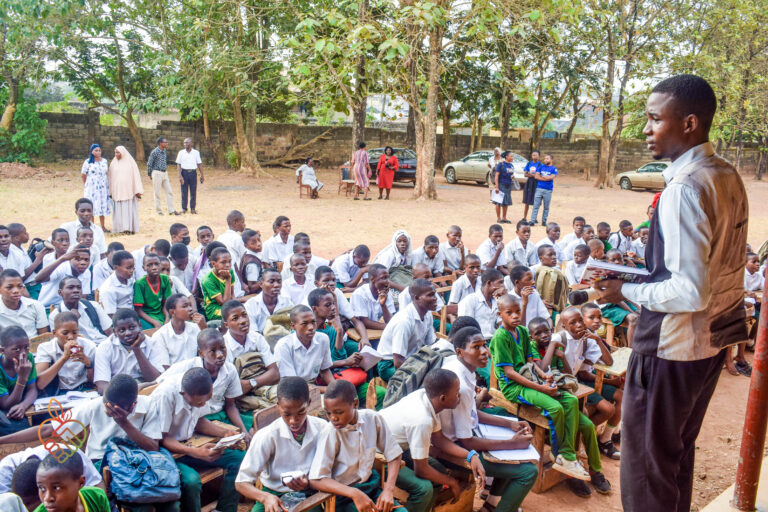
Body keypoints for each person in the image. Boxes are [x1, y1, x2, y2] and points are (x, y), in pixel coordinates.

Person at [594, 75, 749, 512]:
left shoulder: (683, 189)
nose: (646, 129)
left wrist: (623, 288)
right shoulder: (726, 175)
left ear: (689, 123)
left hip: (671, 351)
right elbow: (715, 265)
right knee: (675, 458)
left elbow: (689, 290)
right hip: (710, 345)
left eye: (654, 119)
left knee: (647, 473)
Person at [489, 295, 613, 495]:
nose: (514, 316)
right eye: (509, 312)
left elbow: (532, 362)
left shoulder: (521, 331)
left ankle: (572, 460)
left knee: (572, 400)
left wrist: (545, 377)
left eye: (517, 311)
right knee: (555, 407)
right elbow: (510, 373)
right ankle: (560, 454)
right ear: (499, 314)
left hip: (532, 379)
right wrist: (541, 388)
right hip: (515, 387)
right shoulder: (501, 337)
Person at [440, 326, 538, 510]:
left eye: (484, 345)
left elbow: (472, 414)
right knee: (529, 471)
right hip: (451, 449)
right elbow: (467, 442)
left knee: (508, 429)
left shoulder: (463, 368)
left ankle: (491, 505)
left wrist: (510, 424)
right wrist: (512, 443)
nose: (485, 351)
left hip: (460, 437)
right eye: (476, 347)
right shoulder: (458, 385)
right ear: (460, 352)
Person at [379, 370, 485, 512]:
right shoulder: (422, 420)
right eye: (456, 392)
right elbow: (421, 470)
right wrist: (452, 482)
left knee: (439, 472)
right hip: (380, 455)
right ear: (443, 398)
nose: (459, 395)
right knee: (423, 489)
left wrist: (471, 456)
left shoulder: (426, 397)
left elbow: (439, 440)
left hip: (398, 448)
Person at [150, 367, 246, 512]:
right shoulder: (165, 395)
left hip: (190, 444)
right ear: (183, 394)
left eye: (205, 401)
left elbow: (200, 421)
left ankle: (224, 509)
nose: (203, 404)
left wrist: (226, 433)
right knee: (192, 481)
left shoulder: (201, 389)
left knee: (239, 459)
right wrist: (195, 452)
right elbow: (161, 439)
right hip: (167, 452)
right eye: (199, 403)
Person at [235, 377, 328, 512]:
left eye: (300, 413)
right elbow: (241, 482)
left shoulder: (322, 428)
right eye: (287, 414)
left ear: (308, 403)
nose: (293, 421)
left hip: (310, 492)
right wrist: (264, 497)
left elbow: (331, 469)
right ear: (278, 405)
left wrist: (308, 484)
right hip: (273, 493)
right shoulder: (267, 435)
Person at [309, 379, 402, 512]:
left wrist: (388, 490)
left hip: (371, 488)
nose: (333, 418)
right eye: (329, 413)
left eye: (339, 412)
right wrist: (354, 493)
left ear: (355, 404)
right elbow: (316, 480)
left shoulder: (372, 418)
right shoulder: (330, 433)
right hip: (342, 497)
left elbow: (394, 454)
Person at [93, 309, 168, 393]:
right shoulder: (105, 347)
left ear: (140, 326)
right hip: (116, 391)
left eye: (132, 328)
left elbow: (155, 379)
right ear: (114, 332)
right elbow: (102, 385)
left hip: (145, 389)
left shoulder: (152, 343)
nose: (128, 333)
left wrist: (136, 349)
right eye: (122, 330)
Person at [377, 279, 438, 381]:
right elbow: (398, 362)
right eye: (430, 295)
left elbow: (431, 344)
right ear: (417, 298)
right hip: (389, 364)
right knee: (426, 380)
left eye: (435, 294)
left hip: (411, 359)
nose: (435, 298)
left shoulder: (427, 314)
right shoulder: (404, 321)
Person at [34, 312, 96, 396]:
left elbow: (95, 381)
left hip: (83, 391)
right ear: (54, 333)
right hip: (56, 393)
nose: (70, 337)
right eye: (65, 333)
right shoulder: (45, 348)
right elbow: (40, 384)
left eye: (74, 332)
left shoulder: (89, 346)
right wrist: (64, 358)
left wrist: (88, 363)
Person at [273, 305, 333, 391]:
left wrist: (334, 387)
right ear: (293, 326)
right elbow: (293, 383)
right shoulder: (283, 345)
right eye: (304, 323)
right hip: (290, 389)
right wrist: (327, 390)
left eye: (313, 322)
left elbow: (324, 370)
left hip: (313, 386)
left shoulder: (323, 339)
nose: (311, 327)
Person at [33, 453, 111, 512]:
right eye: (42, 488)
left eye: (57, 488)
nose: (47, 498)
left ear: (81, 482)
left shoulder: (96, 497)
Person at [0, 326, 38, 435]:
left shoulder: (28, 357)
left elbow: (32, 389)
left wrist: (23, 405)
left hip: (19, 403)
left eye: (26, 347)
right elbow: (5, 404)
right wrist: (22, 378)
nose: (23, 353)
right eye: (16, 349)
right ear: (2, 350)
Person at [151, 294, 204, 364]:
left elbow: (207, 354)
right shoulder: (160, 336)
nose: (190, 309)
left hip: (197, 371)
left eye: (190, 305)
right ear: (172, 312)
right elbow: (164, 367)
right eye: (185, 306)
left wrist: (204, 328)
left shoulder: (195, 328)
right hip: (174, 374)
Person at [0, 270, 49, 337]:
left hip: (34, 345)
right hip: (6, 346)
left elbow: (44, 337)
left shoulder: (36, 305)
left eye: (20, 286)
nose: (16, 291)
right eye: (9, 287)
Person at [244, 269, 293, 333]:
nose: (276, 285)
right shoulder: (251, 305)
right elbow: (253, 333)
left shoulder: (287, 303)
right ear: (261, 284)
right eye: (271, 281)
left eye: (279, 281)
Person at [108, 146, 144, 234]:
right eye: (115, 152)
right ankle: (120, 229)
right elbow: (110, 178)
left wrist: (137, 191)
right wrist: (110, 191)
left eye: (118, 152)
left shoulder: (130, 163)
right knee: (119, 210)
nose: (116, 154)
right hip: (117, 192)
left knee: (128, 210)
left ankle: (129, 229)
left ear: (123, 152)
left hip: (128, 192)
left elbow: (136, 177)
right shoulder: (113, 163)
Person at [350, 264, 396, 331]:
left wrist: (383, 305)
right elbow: (364, 322)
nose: (387, 281)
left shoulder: (386, 292)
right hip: (358, 331)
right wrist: (387, 327)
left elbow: (389, 320)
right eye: (383, 278)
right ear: (372, 279)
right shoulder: (359, 294)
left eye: (388, 278)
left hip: (374, 329)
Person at [133, 253, 172, 329]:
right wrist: (155, 322)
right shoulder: (140, 284)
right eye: (149, 265)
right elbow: (138, 310)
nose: (154, 267)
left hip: (162, 313)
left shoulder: (165, 279)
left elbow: (165, 304)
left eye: (157, 264)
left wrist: (167, 318)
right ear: (144, 268)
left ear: (161, 265)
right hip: (147, 316)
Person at [81, 144, 111, 233]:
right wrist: (87, 184)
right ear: (92, 152)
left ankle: (103, 226)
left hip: (102, 187)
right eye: (96, 150)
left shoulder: (104, 161)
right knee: (92, 205)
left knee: (102, 206)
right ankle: (92, 226)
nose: (98, 152)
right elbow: (83, 174)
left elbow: (107, 172)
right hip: (92, 187)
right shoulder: (88, 162)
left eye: (99, 150)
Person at [147, 137, 178, 216]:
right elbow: (149, 163)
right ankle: (159, 211)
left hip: (164, 173)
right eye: (165, 142)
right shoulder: (155, 152)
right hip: (157, 173)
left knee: (169, 191)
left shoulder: (164, 151)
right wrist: (149, 173)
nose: (166, 143)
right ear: (160, 143)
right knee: (157, 192)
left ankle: (171, 210)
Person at [529, 153, 558, 227]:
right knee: (536, 205)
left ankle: (544, 221)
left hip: (548, 190)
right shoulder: (541, 167)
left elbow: (550, 178)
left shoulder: (554, 169)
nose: (545, 160)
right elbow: (536, 176)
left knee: (546, 207)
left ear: (551, 159)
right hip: (539, 188)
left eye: (547, 158)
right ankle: (532, 221)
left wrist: (541, 176)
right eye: (545, 158)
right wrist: (545, 177)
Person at [177, 138, 204, 214]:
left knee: (193, 191)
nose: (185, 144)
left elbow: (199, 164)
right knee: (184, 191)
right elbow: (178, 165)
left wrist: (202, 175)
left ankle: (193, 208)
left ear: (191, 143)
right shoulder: (181, 153)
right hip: (184, 173)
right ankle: (184, 209)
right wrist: (180, 176)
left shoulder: (196, 153)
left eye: (187, 143)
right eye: (184, 143)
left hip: (193, 173)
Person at [493, 151, 516, 224]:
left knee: (506, 202)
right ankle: (499, 218)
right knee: (499, 201)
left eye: (513, 156)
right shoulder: (501, 164)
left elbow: (511, 175)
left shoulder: (511, 165)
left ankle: (504, 218)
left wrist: (512, 177)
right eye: (511, 156)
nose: (512, 158)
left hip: (508, 185)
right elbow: (497, 176)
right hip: (501, 185)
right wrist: (497, 186)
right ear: (506, 156)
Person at [521, 150, 541, 224]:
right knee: (527, 200)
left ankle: (534, 218)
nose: (534, 156)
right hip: (529, 183)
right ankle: (525, 217)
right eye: (533, 155)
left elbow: (538, 176)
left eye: (535, 155)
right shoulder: (529, 163)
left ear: (539, 156)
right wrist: (533, 175)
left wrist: (531, 174)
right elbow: (525, 174)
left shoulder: (540, 165)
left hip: (537, 184)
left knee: (536, 201)